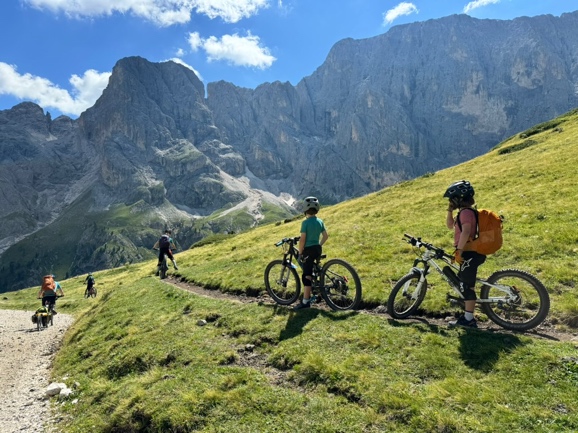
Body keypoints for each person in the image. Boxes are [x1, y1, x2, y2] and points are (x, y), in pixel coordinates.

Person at [444, 180, 486, 328]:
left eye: (452, 199)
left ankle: (469, 320)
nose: (451, 201)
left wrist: (459, 251)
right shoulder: (463, 212)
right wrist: (449, 210)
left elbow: (466, 231)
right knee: (465, 283)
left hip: (469, 253)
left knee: (467, 286)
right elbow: (450, 226)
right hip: (469, 251)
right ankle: (467, 315)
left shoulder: (466, 213)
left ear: (459, 198)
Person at [293, 197, 329, 310]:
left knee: (307, 275)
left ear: (305, 210)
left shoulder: (305, 223)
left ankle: (305, 302)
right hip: (318, 249)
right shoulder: (320, 221)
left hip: (308, 250)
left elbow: (302, 240)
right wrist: (318, 244)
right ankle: (317, 291)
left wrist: (300, 252)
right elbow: (325, 236)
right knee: (315, 269)